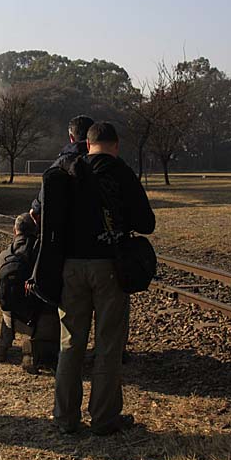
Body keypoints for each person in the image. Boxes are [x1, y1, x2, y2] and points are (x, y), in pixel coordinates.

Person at [52, 122, 155, 435]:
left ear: (86, 144)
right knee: (108, 345)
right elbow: (146, 223)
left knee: (70, 344)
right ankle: (103, 418)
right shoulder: (122, 173)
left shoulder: (67, 171)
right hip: (110, 266)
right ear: (116, 144)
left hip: (70, 266)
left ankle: (65, 418)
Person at [0, 213, 60, 373]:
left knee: (10, 300)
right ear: (36, 230)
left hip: (12, 319)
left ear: (15, 230)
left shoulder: (4, 255)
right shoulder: (44, 254)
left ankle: (1, 349)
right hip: (42, 322)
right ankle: (37, 350)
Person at [29, 115, 94, 224]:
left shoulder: (61, 163)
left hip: (68, 226)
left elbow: (44, 196)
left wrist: (35, 207)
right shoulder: (107, 162)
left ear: (71, 137)